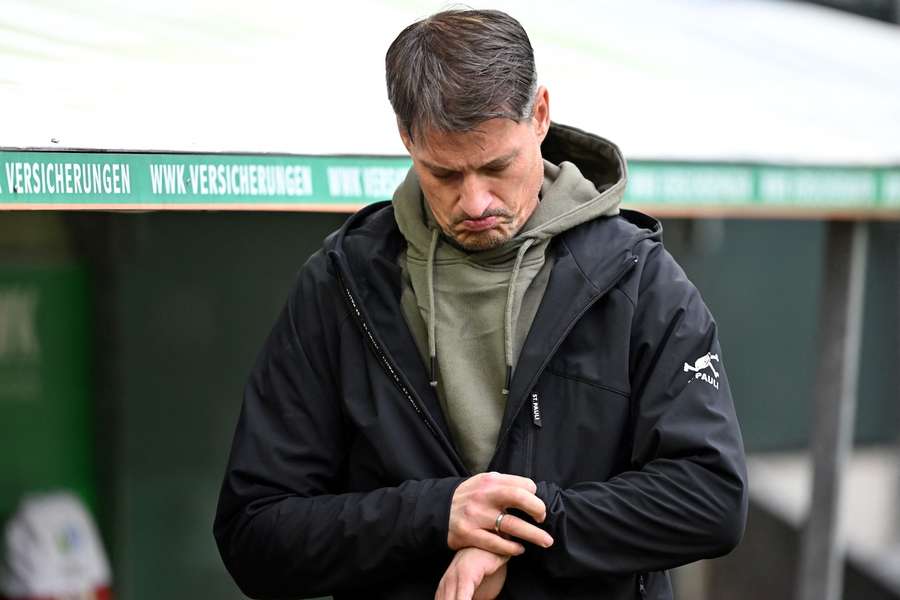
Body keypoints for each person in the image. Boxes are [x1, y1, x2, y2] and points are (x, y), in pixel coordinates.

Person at [214, 9, 747, 600]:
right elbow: (254, 531)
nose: (475, 201)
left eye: (497, 166)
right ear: (405, 138)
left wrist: (523, 522)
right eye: (443, 173)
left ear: (540, 114)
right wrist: (437, 515)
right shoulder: (340, 287)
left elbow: (711, 498)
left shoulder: (639, 281)